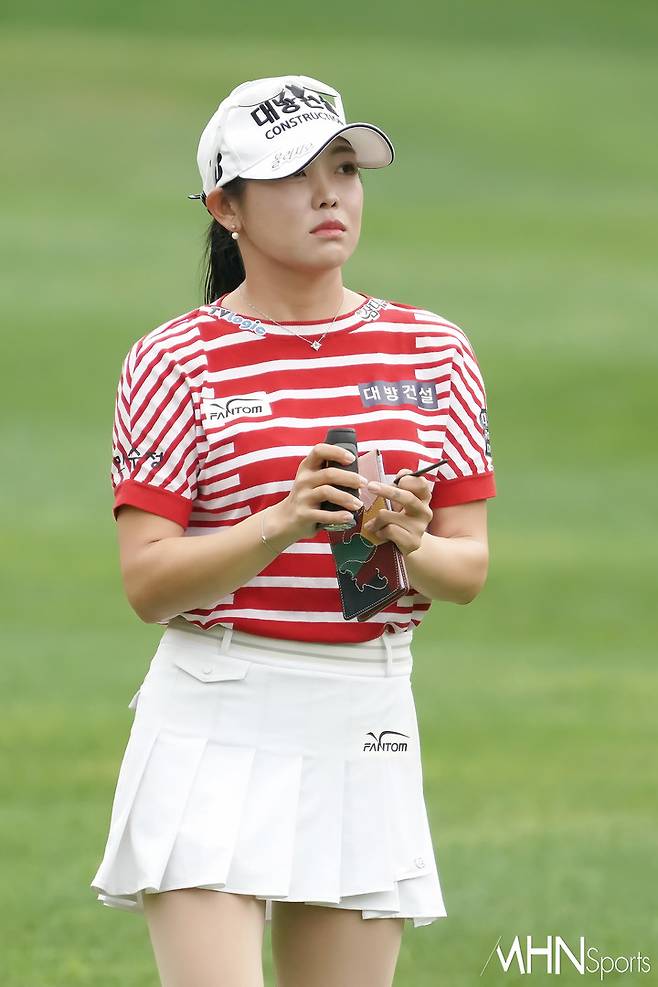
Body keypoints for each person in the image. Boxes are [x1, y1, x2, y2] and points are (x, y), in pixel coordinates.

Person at [90, 74, 496, 987]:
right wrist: (280, 521)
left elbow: (467, 568)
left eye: (344, 170)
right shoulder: (173, 359)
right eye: (292, 177)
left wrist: (411, 540)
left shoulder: (435, 350)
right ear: (224, 206)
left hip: (367, 712)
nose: (329, 196)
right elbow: (148, 583)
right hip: (215, 710)